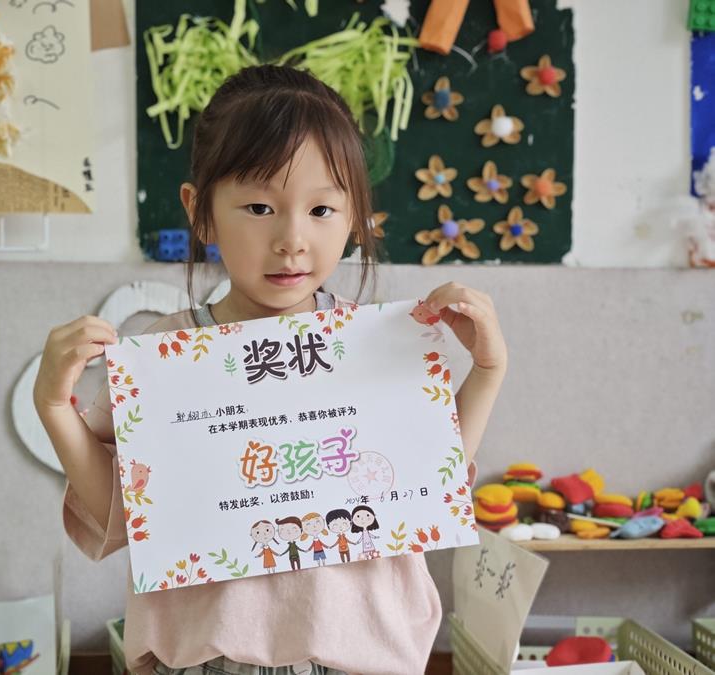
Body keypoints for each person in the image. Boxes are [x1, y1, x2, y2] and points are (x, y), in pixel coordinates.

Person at [34, 64, 507, 675]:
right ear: (201, 212)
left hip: (362, 660)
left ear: (356, 217)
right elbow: (124, 516)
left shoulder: (380, 345)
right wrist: (54, 407)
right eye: (259, 206)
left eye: (322, 209)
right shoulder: (166, 355)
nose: (292, 239)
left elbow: (422, 485)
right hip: (208, 663)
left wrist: (487, 371)